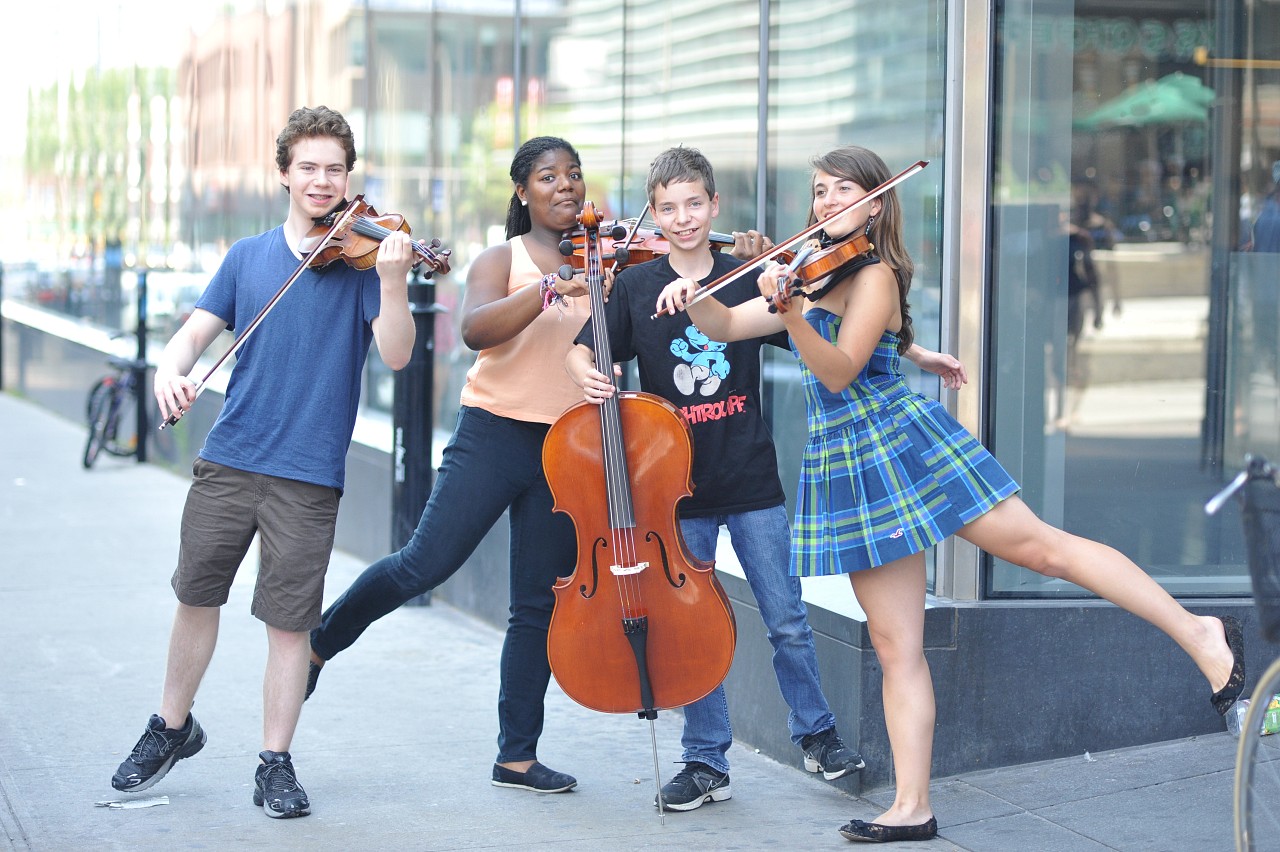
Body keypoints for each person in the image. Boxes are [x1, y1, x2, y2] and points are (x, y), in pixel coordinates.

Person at [656, 144, 1246, 844]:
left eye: (843, 189)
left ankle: (1200, 633)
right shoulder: (807, 278)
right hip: (846, 463)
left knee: (1042, 550)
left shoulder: (873, 274)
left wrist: (787, 315)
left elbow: (841, 371)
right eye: (818, 191)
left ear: (877, 202)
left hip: (900, 441)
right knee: (893, 639)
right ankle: (912, 805)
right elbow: (726, 326)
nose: (826, 202)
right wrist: (696, 300)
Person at [566, 146, 966, 813]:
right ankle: (704, 761)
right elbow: (589, 344)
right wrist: (581, 366)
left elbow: (835, 329)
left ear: (714, 206)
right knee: (693, 624)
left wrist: (915, 348)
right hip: (674, 489)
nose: (684, 217)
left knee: (785, 617)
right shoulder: (635, 288)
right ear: (654, 215)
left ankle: (819, 737)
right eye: (669, 207)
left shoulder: (756, 275)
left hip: (751, 476)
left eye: (696, 203)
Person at [110, 105, 418, 819]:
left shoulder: (367, 260)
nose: (321, 180)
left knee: (289, 624)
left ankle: (274, 761)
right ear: (283, 173)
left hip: (309, 472)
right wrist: (169, 371)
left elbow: (399, 354)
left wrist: (397, 283)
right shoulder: (247, 257)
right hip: (233, 455)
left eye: (334, 169)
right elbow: (190, 337)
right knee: (196, 594)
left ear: (349, 178)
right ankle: (171, 728)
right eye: (307, 167)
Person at [303, 136, 598, 795]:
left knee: (536, 605)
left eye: (574, 175)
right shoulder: (504, 258)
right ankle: (321, 643)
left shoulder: (603, 262)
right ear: (524, 191)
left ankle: (516, 757)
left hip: (566, 448)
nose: (566, 185)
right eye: (549, 176)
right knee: (422, 564)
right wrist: (548, 288)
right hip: (493, 434)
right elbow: (475, 330)